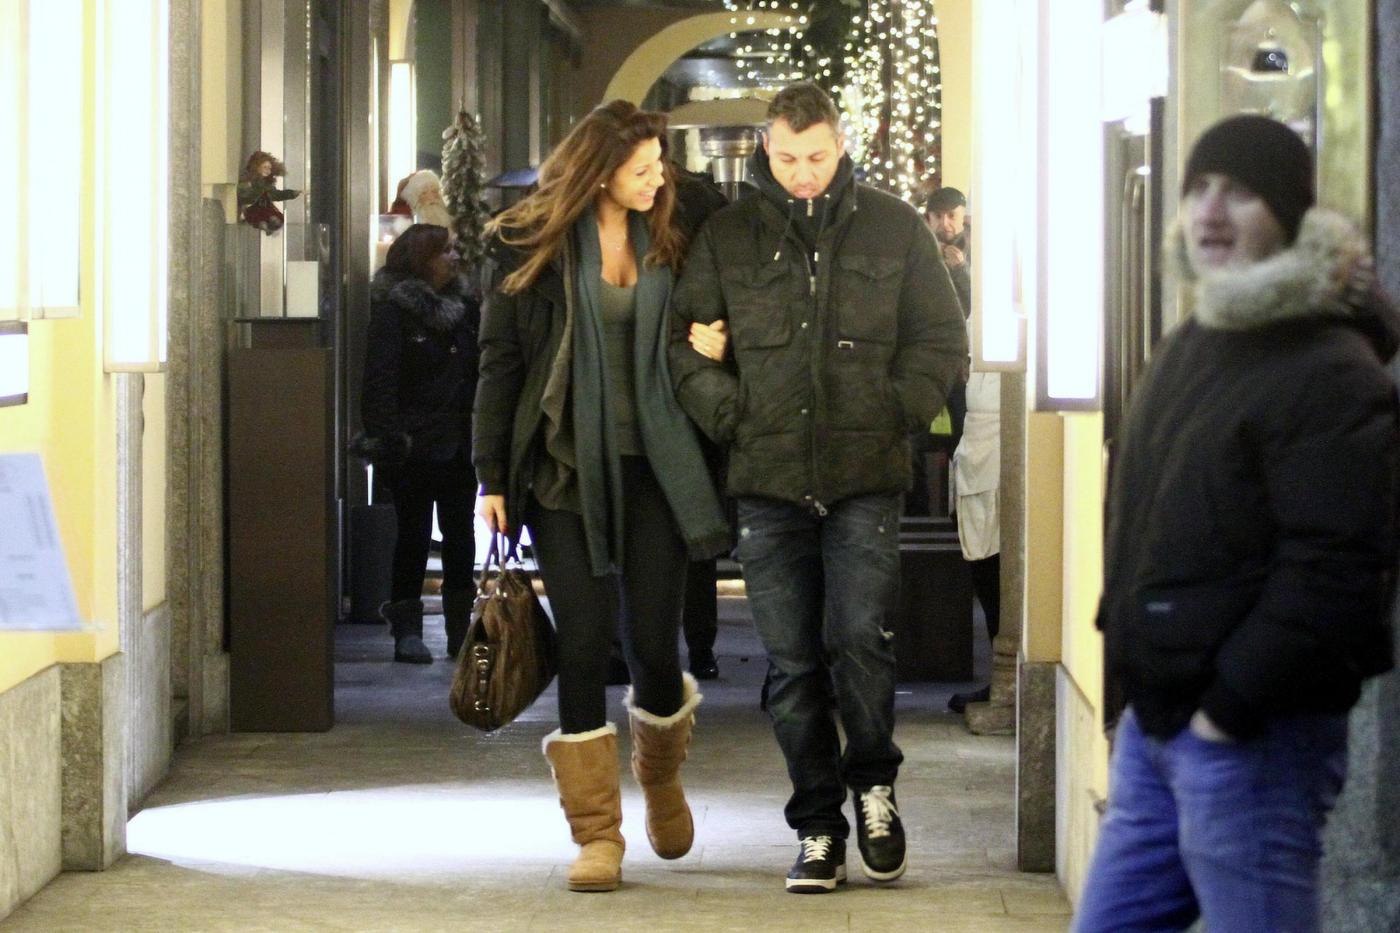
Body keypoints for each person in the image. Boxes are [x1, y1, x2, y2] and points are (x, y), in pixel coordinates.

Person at [1073, 115, 1399, 932]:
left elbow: (1336, 571)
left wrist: (1230, 707)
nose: (1211, 212)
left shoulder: (1328, 368)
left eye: (1241, 192)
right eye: (1199, 190)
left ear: (1288, 216)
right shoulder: (1193, 342)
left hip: (1250, 737)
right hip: (1158, 726)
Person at [670, 82, 967, 893]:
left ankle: (874, 786)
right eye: (789, 158)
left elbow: (941, 337)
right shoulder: (729, 237)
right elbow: (684, 349)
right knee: (792, 661)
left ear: (842, 146)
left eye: (818, 156)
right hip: (766, 480)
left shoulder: (895, 227)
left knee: (860, 638)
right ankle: (817, 825)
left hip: (865, 475)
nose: (804, 173)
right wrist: (734, 414)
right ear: (766, 150)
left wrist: (895, 410)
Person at [473, 100, 730, 894]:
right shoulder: (528, 243)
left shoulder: (683, 229)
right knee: (583, 641)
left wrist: (716, 341)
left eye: (660, 164)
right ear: (598, 172)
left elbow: (725, 310)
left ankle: (660, 773)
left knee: (652, 642)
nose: (658, 178)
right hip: (565, 467)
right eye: (642, 167)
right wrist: (490, 475)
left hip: (659, 465)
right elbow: (500, 364)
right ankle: (596, 833)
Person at [361, 223, 479, 664]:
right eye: (445, 250)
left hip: (459, 443)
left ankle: (459, 628)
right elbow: (379, 382)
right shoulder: (394, 314)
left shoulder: (466, 310)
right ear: (421, 259)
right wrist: (390, 438)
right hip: (413, 446)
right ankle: (407, 630)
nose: (455, 257)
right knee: (412, 535)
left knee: (461, 534)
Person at [947, 369, 1001, 714]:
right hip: (975, 461)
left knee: (993, 576)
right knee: (986, 575)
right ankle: (1000, 675)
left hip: (992, 465)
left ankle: (1003, 678)